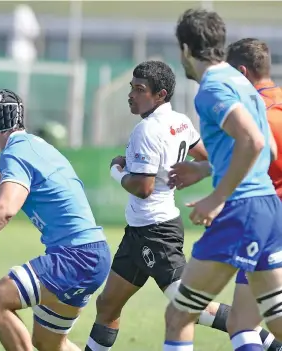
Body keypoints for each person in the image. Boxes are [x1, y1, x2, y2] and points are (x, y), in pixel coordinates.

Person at [87, 59, 282, 351]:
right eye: (132, 87)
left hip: (156, 231)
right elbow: (207, 155)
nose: (131, 94)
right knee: (107, 304)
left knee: (189, 306)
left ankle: (265, 342)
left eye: (139, 89)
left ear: (160, 94)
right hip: (140, 231)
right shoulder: (180, 120)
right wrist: (182, 170)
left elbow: (143, 188)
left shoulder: (147, 130)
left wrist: (117, 170)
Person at [0, 88, 111, 351]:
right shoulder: (33, 146)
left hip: (75, 257)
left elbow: (5, 210)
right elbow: (22, 182)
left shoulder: (15, 154)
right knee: (47, 343)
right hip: (92, 254)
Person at [163, 9, 282, 351]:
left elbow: (255, 142)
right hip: (268, 210)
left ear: (185, 49)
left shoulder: (212, 87)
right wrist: (208, 169)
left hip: (242, 212)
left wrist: (217, 198)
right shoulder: (241, 81)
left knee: (179, 315)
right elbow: (269, 149)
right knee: (274, 320)